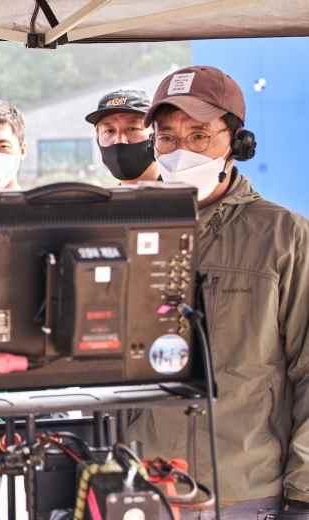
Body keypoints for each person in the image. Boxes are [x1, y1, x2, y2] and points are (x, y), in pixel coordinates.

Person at [129, 66, 309, 518]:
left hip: (245, 491)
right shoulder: (127, 227)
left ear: (238, 142)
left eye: (199, 135)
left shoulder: (284, 236)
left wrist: (304, 493)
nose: (180, 151)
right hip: (141, 484)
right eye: (167, 137)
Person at [84, 88, 159, 183]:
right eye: (110, 131)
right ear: (98, 138)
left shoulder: (180, 195)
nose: (119, 141)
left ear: (156, 134)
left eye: (132, 129)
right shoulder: (99, 197)